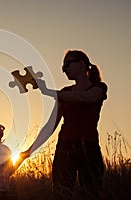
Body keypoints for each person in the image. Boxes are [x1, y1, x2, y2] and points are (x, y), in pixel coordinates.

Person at [31, 50, 107, 199]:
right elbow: (50, 125)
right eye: (62, 67)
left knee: (91, 194)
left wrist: (48, 91)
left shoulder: (99, 88)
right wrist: (30, 149)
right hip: (64, 149)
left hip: (89, 149)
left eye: (67, 64)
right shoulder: (65, 92)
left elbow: (84, 98)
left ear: (81, 64)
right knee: (61, 194)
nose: (64, 69)